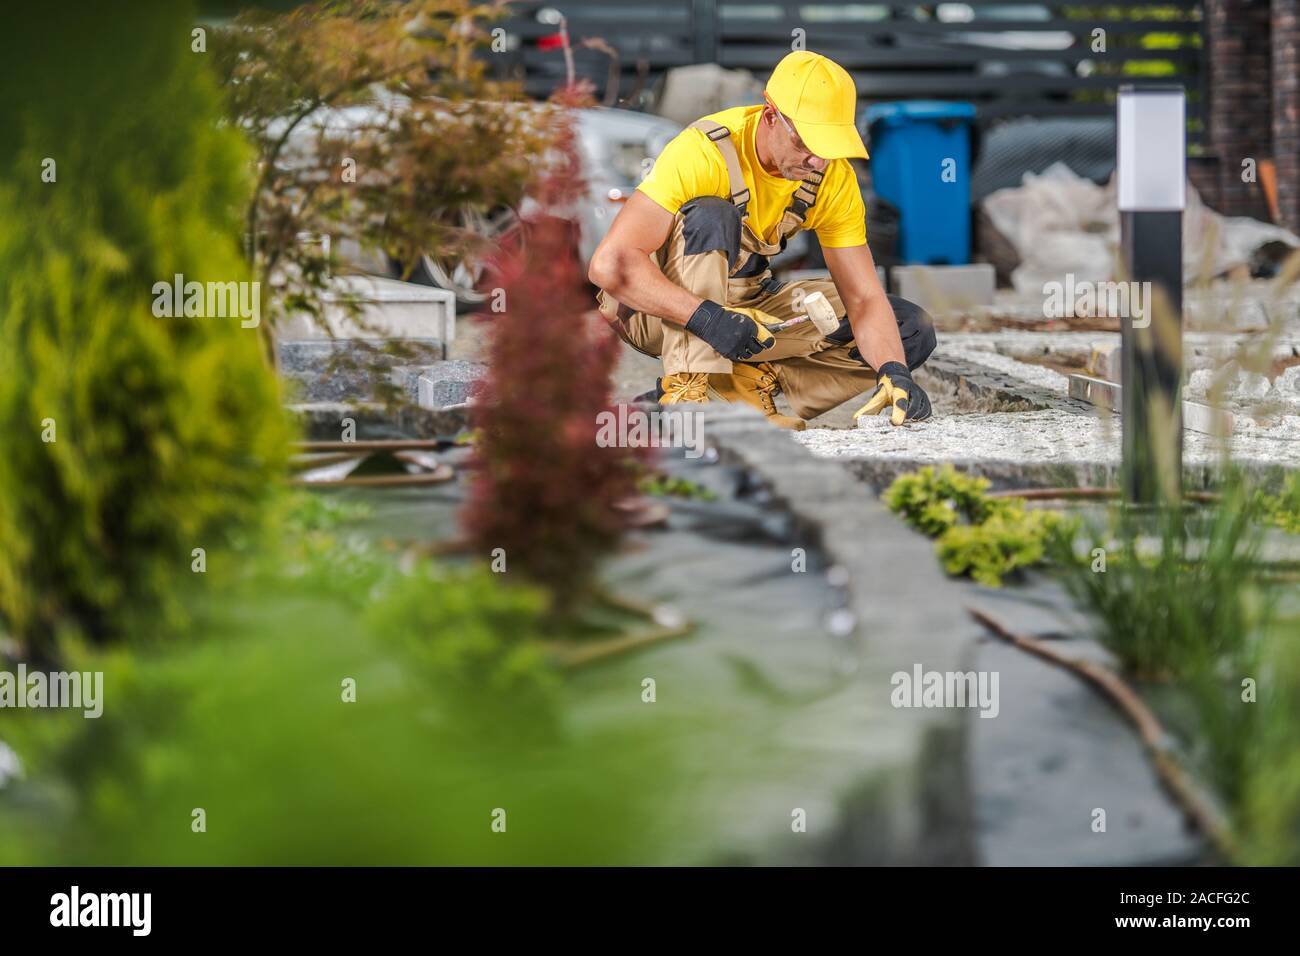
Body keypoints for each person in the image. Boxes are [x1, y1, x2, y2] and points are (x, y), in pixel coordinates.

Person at [588, 50, 936, 431]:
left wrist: (894, 372)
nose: (818, 162)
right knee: (711, 213)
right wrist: (708, 319)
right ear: (771, 116)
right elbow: (610, 265)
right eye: (806, 144)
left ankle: (739, 391)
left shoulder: (830, 176)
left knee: (908, 328)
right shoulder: (705, 153)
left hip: (746, 302)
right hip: (654, 309)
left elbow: (864, 298)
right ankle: (687, 395)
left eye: (828, 147)